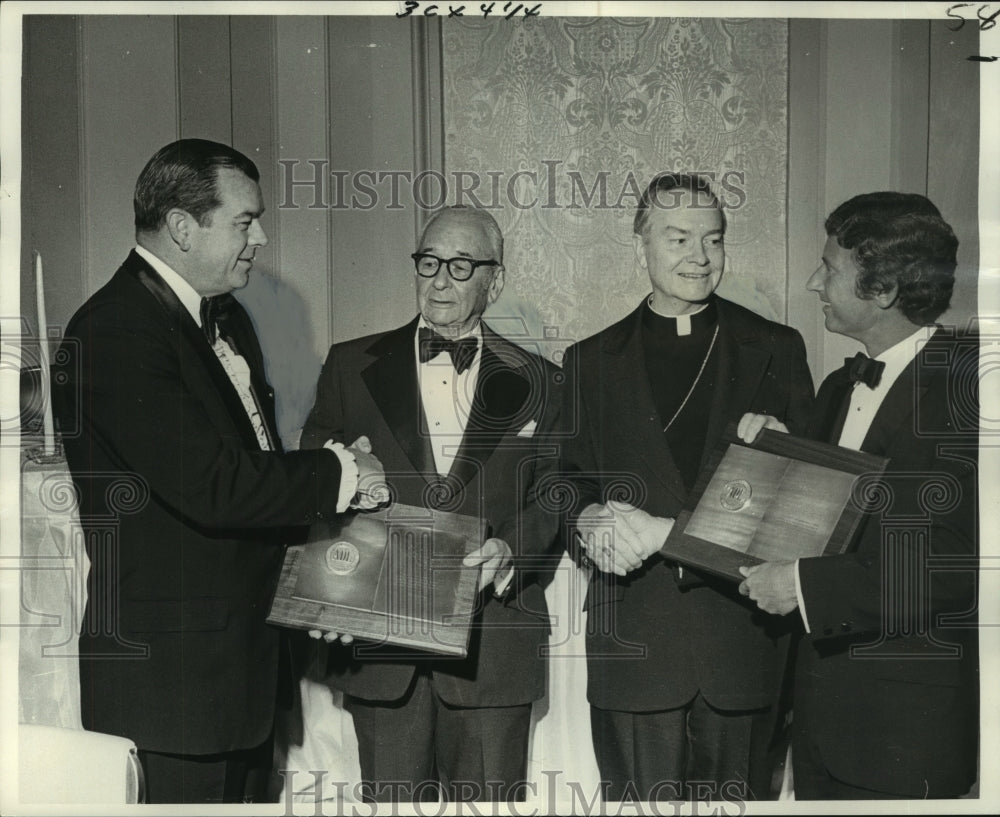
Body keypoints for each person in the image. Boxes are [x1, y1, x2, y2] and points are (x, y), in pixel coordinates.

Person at [52, 138, 384, 804]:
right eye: (244, 220)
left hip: (238, 679)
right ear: (182, 226)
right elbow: (215, 485)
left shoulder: (225, 319)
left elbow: (250, 479)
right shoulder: (115, 330)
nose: (259, 237)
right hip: (172, 693)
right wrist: (342, 469)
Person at [559, 173, 815, 802]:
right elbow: (558, 481)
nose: (699, 257)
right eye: (678, 238)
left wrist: (787, 453)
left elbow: (813, 507)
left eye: (714, 239)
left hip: (744, 646)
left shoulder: (776, 348)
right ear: (639, 245)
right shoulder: (590, 361)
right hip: (636, 644)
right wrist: (587, 517)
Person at [300, 205, 561, 803]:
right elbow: (313, 476)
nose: (440, 280)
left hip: (493, 645)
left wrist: (512, 549)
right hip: (383, 647)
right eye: (429, 262)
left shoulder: (546, 380)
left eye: (461, 265)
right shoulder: (350, 365)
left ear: (495, 280)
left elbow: (557, 488)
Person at [737, 192, 979, 799]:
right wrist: (779, 452)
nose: (814, 282)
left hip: (905, 736)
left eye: (831, 269)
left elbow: (957, 564)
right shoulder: (838, 389)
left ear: (885, 291)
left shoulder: (970, 390)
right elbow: (831, 516)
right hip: (819, 726)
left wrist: (802, 586)